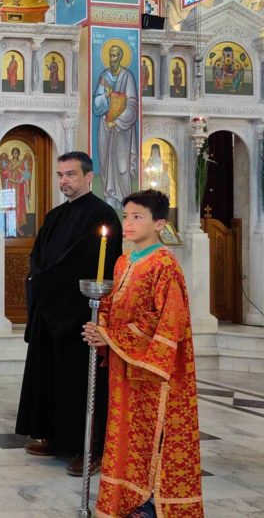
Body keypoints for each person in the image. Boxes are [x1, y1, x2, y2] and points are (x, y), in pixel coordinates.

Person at [83, 190, 203, 517]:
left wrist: (112, 335)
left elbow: (165, 319)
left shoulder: (165, 264)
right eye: (126, 217)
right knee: (125, 436)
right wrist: (100, 325)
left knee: (155, 437)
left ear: (160, 223)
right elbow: (115, 305)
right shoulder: (123, 261)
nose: (129, 223)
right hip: (126, 366)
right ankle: (127, 500)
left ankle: (151, 505)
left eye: (137, 217)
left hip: (154, 372)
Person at [15, 151, 122, 476]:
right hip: (50, 309)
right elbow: (40, 256)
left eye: (71, 175)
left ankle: (88, 448)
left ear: (89, 177)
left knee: (80, 381)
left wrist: (48, 282)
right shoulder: (56, 215)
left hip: (79, 313)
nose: (64, 180)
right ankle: (53, 436)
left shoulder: (102, 216)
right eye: (60, 175)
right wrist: (38, 280)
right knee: (49, 376)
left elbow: (86, 262)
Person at [92, 44, 138, 209]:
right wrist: (104, 96)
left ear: (120, 57)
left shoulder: (128, 77)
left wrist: (117, 122)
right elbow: (96, 106)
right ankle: (110, 198)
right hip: (105, 126)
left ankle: (124, 202)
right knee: (105, 162)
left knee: (121, 163)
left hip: (122, 129)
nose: (112, 59)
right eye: (110, 56)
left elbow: (132, 105)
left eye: (115, 56)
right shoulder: (104, 77)